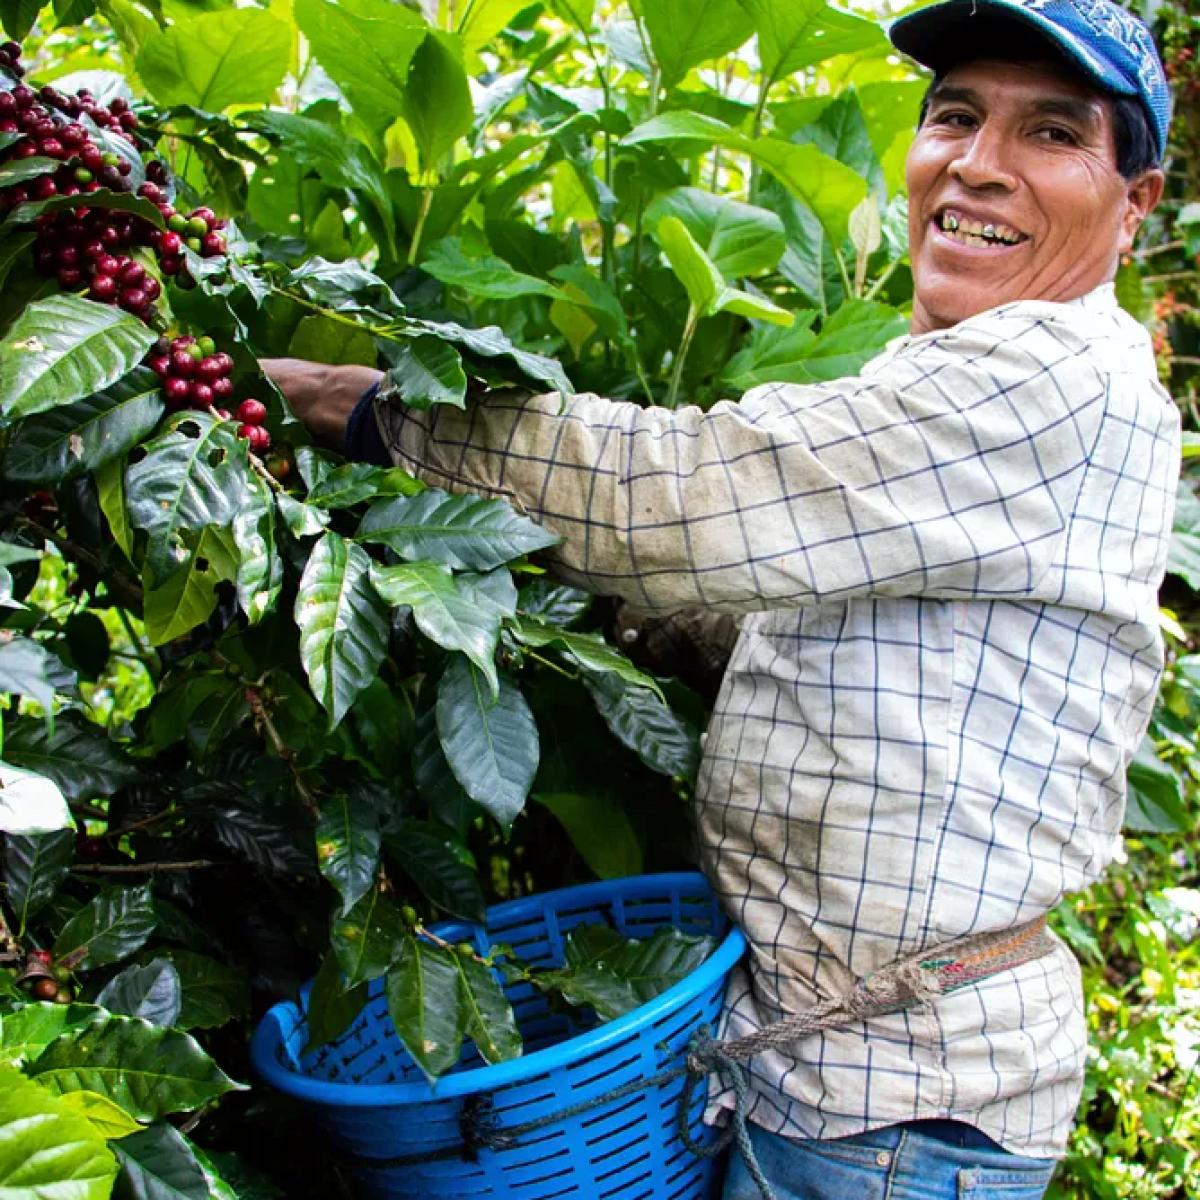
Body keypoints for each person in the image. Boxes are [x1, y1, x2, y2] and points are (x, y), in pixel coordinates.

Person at [265, 1, 1178, 1195]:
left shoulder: (1052, 375)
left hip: (892, 1111)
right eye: (955, 116)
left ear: (1134, 204)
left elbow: (695, 492)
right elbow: (862, 633)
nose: (979, 165)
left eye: (1050, 135)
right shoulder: (966, 370)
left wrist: (370, 412)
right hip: (833, 1071)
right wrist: (573, 591)